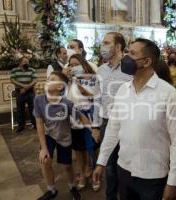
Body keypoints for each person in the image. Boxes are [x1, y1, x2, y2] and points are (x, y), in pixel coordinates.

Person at [93, 38, 176, 200]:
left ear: (147, 61)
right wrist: (101, 161)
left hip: (153, 175)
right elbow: (113, 128)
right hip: (124, 168)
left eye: (132, 53)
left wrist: (173, 182)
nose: (125, 57)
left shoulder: (168, 93)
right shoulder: (123, 90)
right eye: (127, 52)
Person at [34, 71, 97, 200]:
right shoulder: (39, 100)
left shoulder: (67, 103)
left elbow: (81, 117)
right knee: (45, 160)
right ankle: (51, 190)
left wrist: (93, 130)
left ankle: (72, 186)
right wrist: (44, 148)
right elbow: (39, 125)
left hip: (64, 137)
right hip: (48, 135)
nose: (47, 80)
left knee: (67, 166)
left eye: (51, 79)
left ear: (60, 87)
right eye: (48, 78)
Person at [93, 32, 132, 200]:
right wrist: (95, 126)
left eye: (106, 43)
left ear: (118, 47)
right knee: (108, 165)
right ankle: (110, 197)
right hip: (106, 121)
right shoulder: (101, 70)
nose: (103, 46)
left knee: (125, 164)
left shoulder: (130, 69)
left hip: (126, 123)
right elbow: (96, 98)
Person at [67, 54, 102, 191]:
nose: (73, 67)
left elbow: (97, 98)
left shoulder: (92, 78)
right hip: (73, 119)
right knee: (78, 149)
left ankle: (95, 175)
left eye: (76, 64)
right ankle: (82, 175)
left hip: (90, 117)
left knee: (91, 148)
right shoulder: (67, 80)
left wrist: (83, 89)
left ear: (83, 64)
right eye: (71, 65)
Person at [10, 56, 37, 133]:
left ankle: (35, 124)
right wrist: (23, 86)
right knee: (20, 109)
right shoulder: (14, 70)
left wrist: (27, 87)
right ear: (20, 63)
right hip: (19, 91)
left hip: (30, 91)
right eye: (25, 62)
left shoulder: (32, 70)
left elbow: (34, 80)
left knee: (33, 108)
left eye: (27, 62)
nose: (26, 63)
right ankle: (21, 126)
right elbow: (12, 80)